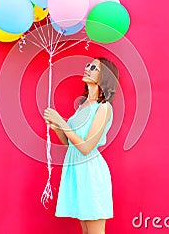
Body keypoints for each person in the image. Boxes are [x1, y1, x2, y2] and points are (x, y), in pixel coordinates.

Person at [43, 57, 119, 234]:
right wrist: (56, 127)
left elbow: (86, 147)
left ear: (105, 76)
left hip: (91, 172)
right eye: (88, 65)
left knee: (95, 232)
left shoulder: (104, 107)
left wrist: (62, 122)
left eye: (94, 67)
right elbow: (71, 143)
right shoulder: (83, 105)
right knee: (85, 231)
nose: (88, 68)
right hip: (77, 172)